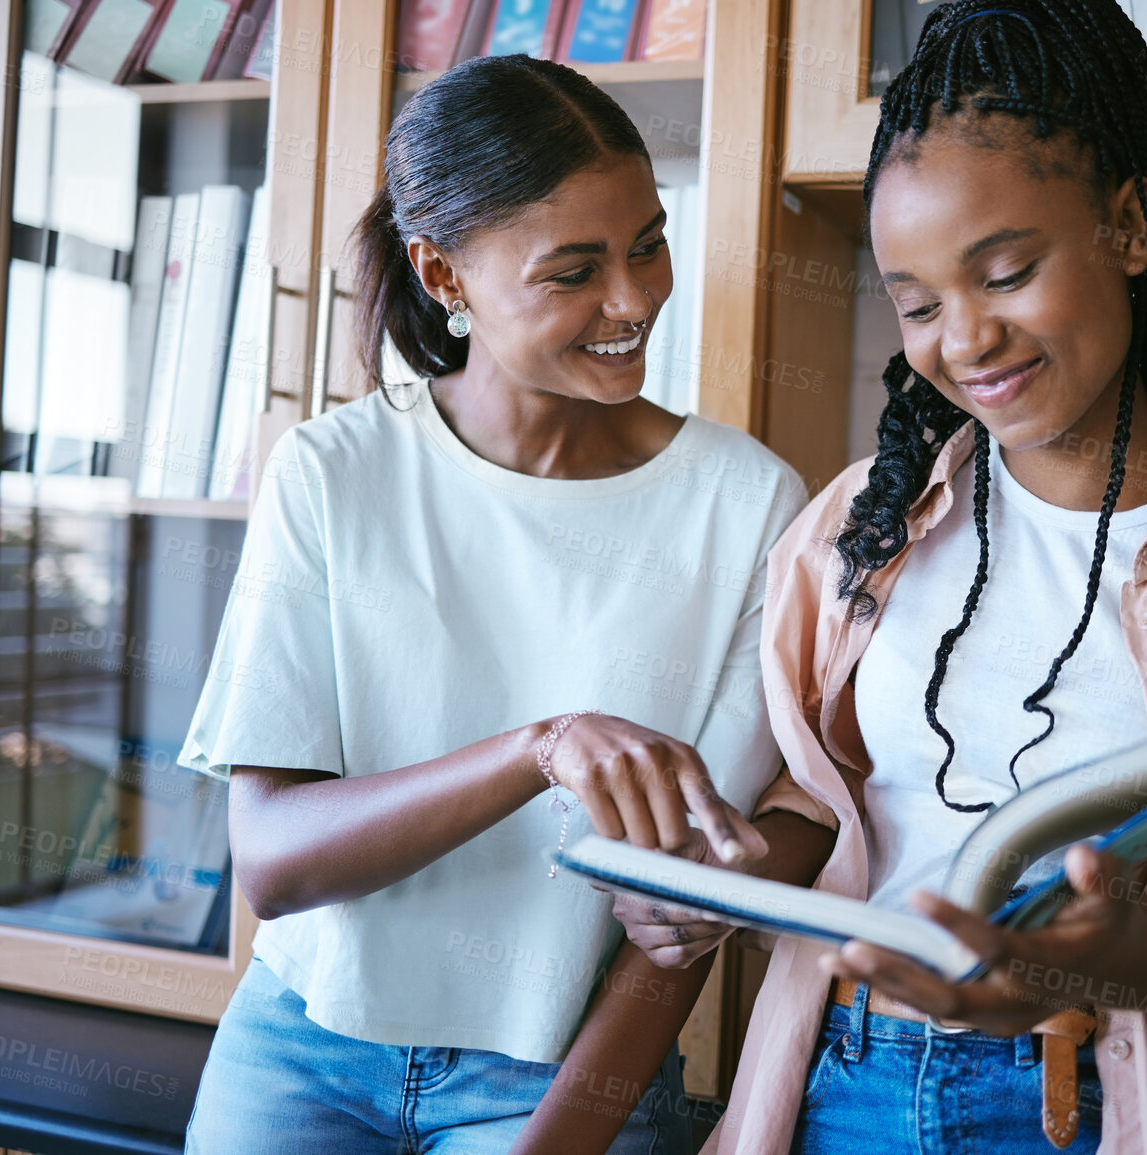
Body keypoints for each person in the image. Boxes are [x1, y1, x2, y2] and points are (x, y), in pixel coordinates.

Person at [610, 3, 1147, 1152]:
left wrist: (1130, 956)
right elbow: (828, 805)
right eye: (917, 304)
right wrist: (707, 882)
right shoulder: (859, 527)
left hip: (1114, 1101)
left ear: (1126, 226)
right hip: (847, 1085)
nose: (963, 340)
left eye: (1005, 273)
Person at [177, 54, 806, 1155]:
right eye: (574, 271)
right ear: (443, 273)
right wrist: (540, 749)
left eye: (648, 246)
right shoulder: (334, 471)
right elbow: (274, 860)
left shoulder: (747, 505)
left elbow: (677, 930)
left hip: (560, 1072)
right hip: (298, 1052)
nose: (634, 300)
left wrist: (560, 1136)